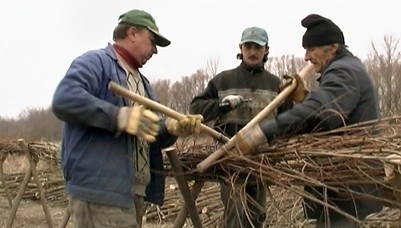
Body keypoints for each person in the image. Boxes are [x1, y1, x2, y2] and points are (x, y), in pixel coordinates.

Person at [52, 9, 203, 228]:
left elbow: (149, 132)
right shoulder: (96, 63)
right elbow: (64, 99)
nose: (155, 51)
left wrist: (171, 127)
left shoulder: (143, 83)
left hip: (132, 193)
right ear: (132, 33)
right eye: (152, 42)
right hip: (101, 192)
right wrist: (119, 117)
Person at [233, 14, 384, 227]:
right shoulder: (346, 68)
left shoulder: (345, 72)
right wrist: (303, 98)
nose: (306, 57)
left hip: (347, 190)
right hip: (342, 188)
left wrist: (262, 133)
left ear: (331, 48)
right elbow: (333, 115)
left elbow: (319, 113)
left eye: (311, 49)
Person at [190, 26, 292, 228]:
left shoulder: (276, 85)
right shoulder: (223, 80)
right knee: (236, 213)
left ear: (266, 50)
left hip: (262, 162)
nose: (252, 52)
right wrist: (221, 106)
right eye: (248, 47)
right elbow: (195, 108)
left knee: (257, 216)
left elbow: (288, 122)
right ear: (241, 48)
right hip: (230, 160)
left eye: (257, 47)